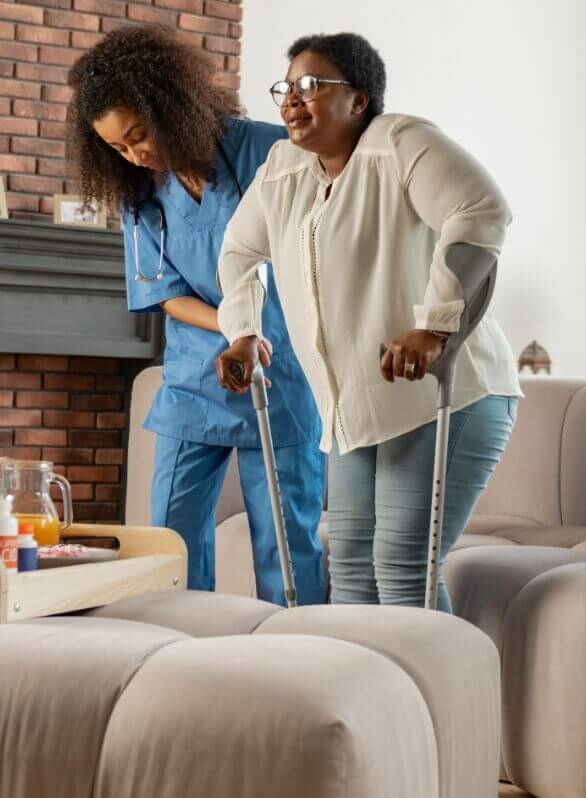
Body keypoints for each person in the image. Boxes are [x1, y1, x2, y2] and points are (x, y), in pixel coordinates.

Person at [215, 32, 522, 611]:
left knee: (403, 567)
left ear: (358, 101)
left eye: (311, 86)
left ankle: (438, 701)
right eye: (285, 87)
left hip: (447, 394)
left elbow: (480, 209)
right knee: (351, 566)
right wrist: (244, 332)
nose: (291, 100)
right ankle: (368, 698)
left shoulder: (400, 142)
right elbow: (238, 251)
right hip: (358, 409)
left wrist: (433, 327)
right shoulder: (284, 168)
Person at [66, 25, 326, 604]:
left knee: (285, 542)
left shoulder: (270, 150)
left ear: (171, 104)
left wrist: (257, 332)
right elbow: (164, 292)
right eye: (118, 148)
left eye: (139, 135)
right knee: (170, 536)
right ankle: (184, 652)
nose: (136, 155)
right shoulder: (141, 193)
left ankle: (299, 654)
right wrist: (234, 328)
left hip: (280, 372)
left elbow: (320, 250)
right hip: (194, 373)